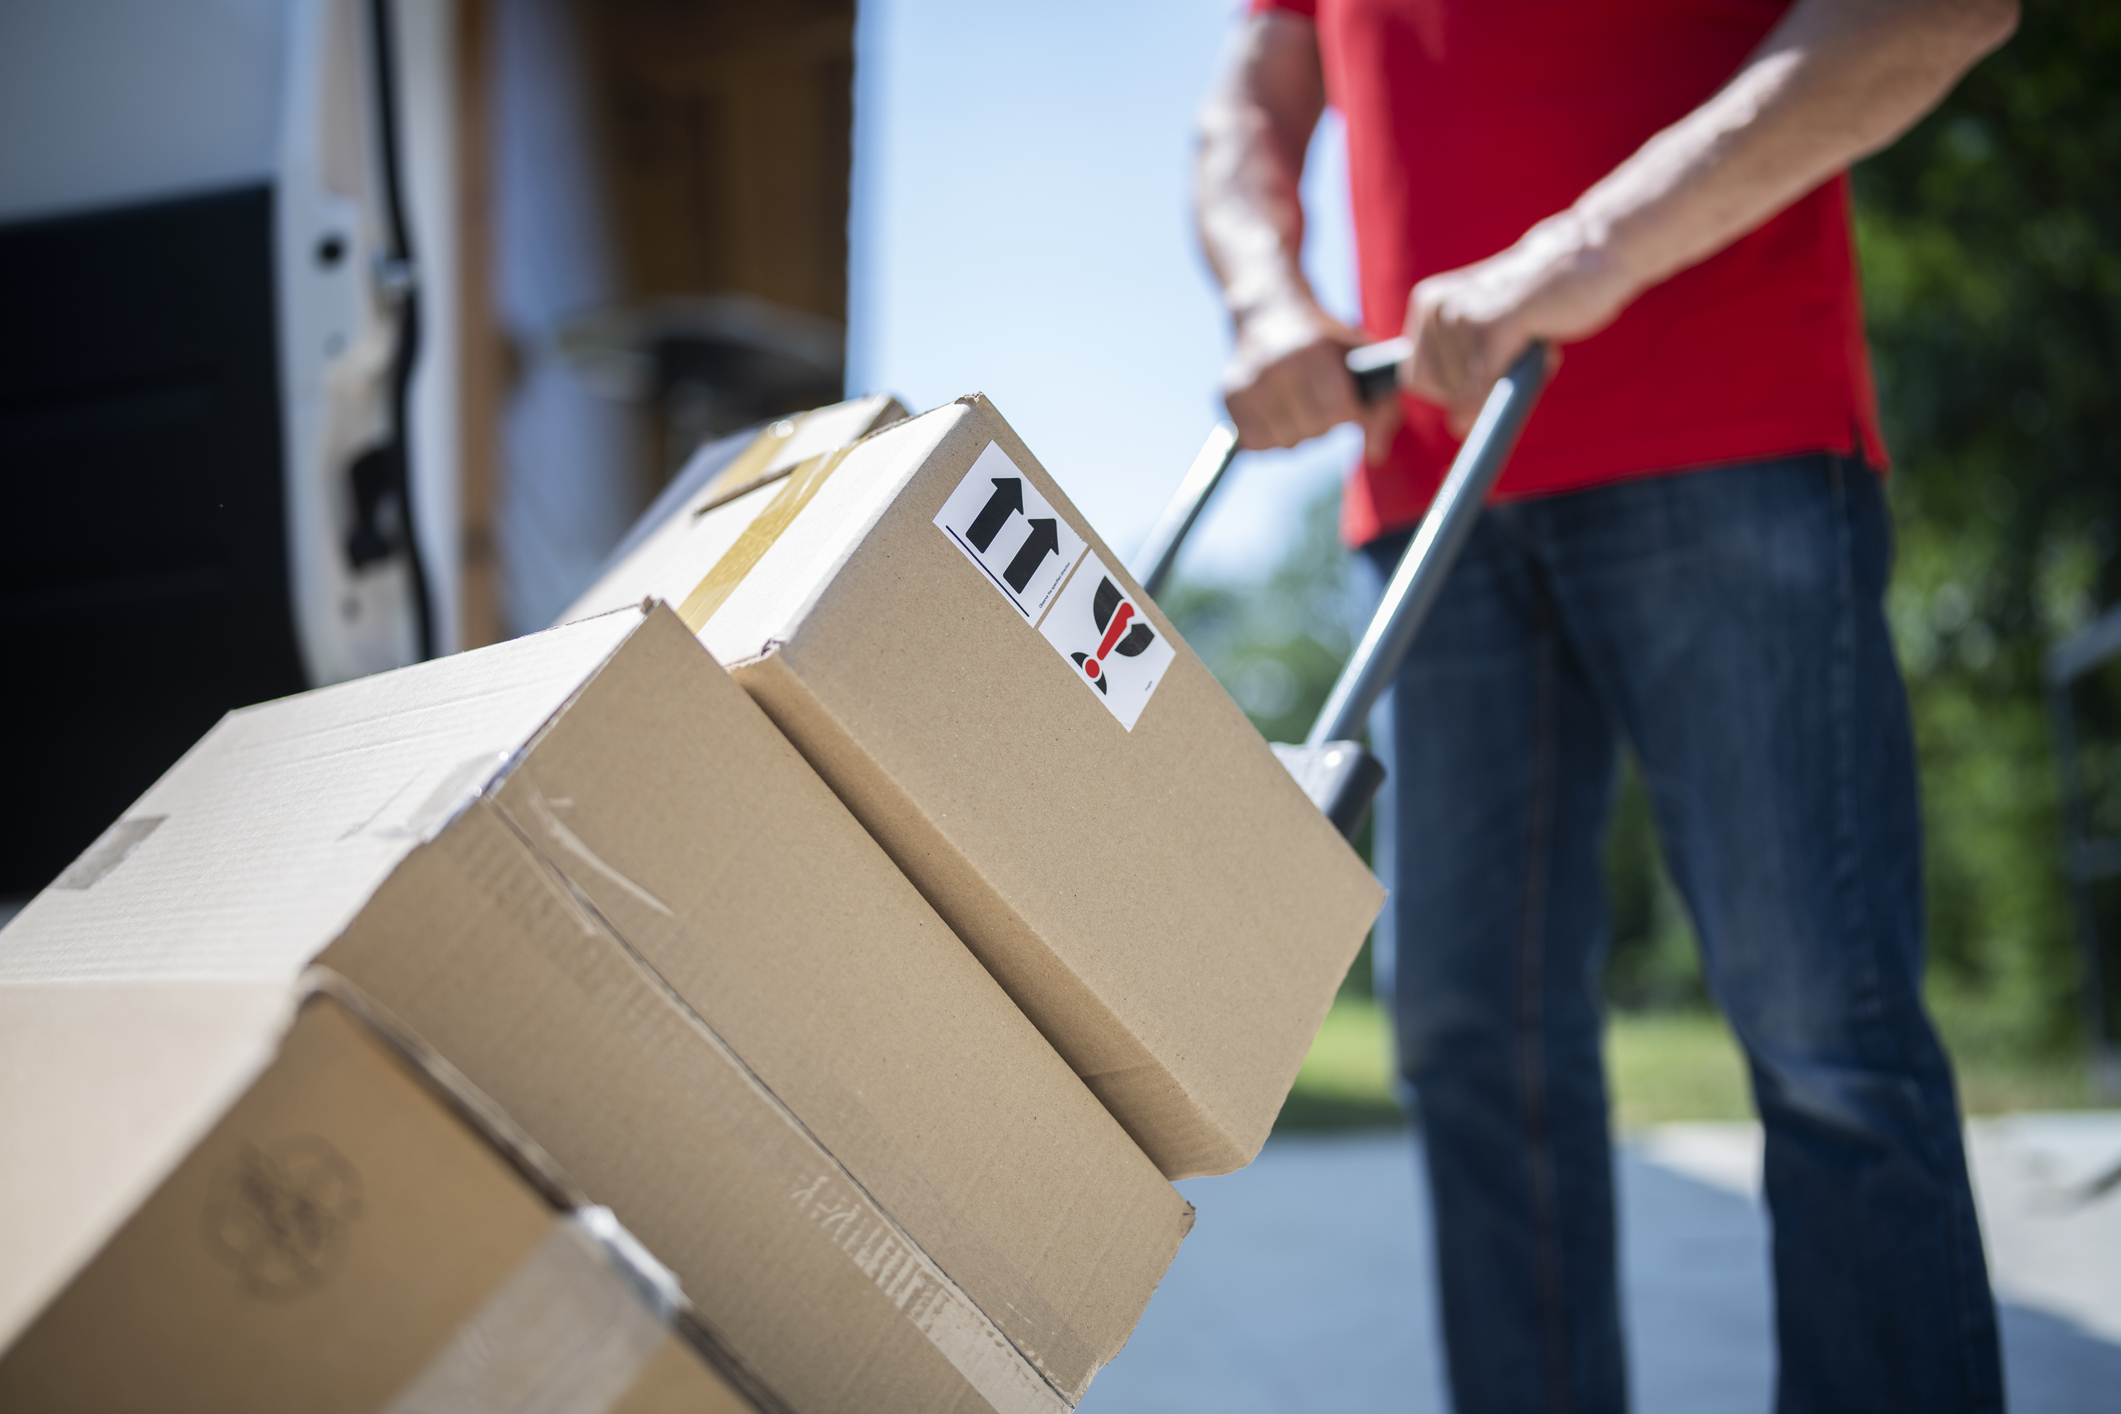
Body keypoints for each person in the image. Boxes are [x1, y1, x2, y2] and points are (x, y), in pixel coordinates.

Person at [1194, 1, 2020, 1410]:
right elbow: (1249, 100)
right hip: (1434, 490)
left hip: (1726, 427)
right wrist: (1267, 292)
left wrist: (1587, 248)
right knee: (1467, 1051)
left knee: (1827, 1037)